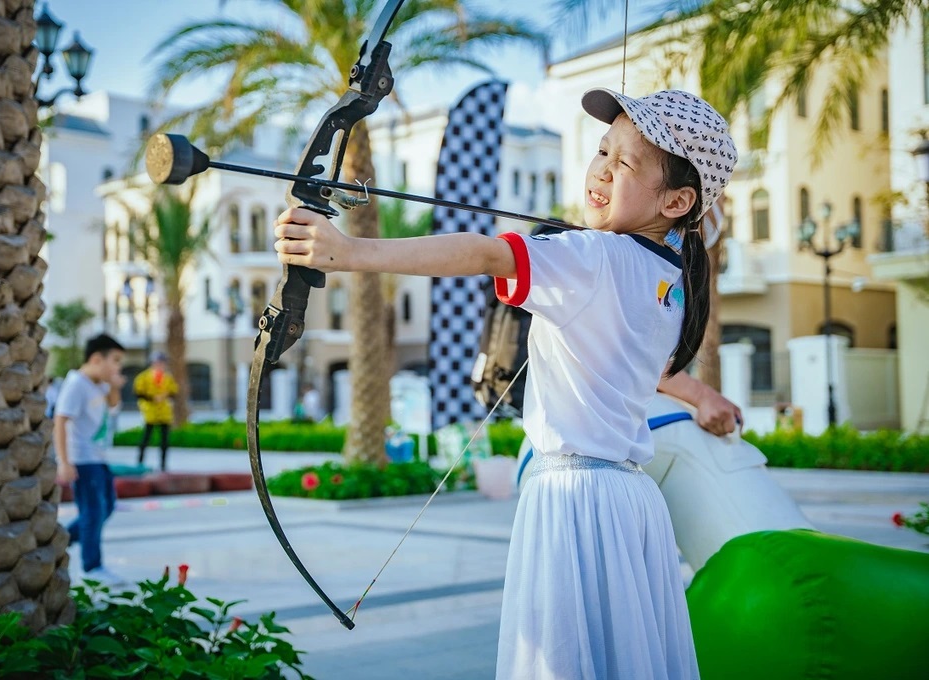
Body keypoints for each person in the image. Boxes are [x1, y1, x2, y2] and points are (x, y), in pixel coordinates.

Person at [274, 87, 737, 679]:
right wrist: (698, 392)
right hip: (628, 504)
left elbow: (484, 254)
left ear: (677, 200)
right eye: (601, 151)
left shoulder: (595, 257)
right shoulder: (670, 279)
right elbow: (632, 360)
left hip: (572, 500)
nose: (599, 170)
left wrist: (347, 250)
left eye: (624, 164)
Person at [54, 333, 127, 586]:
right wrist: (64, 462)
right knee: (93, 511)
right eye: (115, 361)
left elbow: (113, 405)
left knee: (105, 508)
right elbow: (60, 421)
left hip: (99, 458)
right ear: (97, 358)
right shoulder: (76, 383)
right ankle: (92, 566)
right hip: (82, 460)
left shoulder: (99, 384)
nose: (118, 367)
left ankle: (59, 540)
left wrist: (115, 385)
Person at [132, 351, 178, 471]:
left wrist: (166, 395)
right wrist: (152, 398)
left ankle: (163, 464)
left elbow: (174, 392)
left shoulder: (168, 378)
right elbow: (138, 393)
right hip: (150, 411)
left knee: (164, 440)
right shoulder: (143, 377)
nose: (160, 365)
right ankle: (140, 462)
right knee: (146, 438)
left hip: (164, 412)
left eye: (162, 363)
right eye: (158, 362)